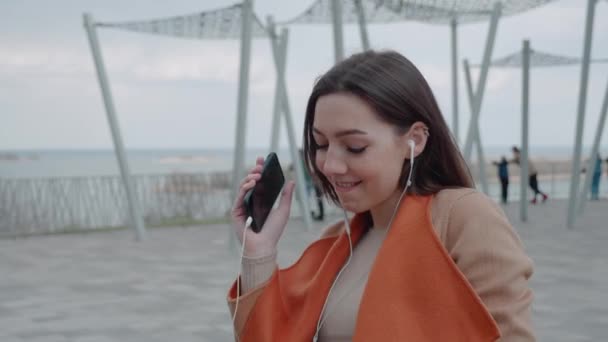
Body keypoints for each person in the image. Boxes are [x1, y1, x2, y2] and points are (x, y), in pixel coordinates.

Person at [227, 51, 534, 341]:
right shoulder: (338, 241)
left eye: (355, 147)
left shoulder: (462, 218)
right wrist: (258, 252)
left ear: (414, 140)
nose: (330, 165)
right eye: (321, 144)